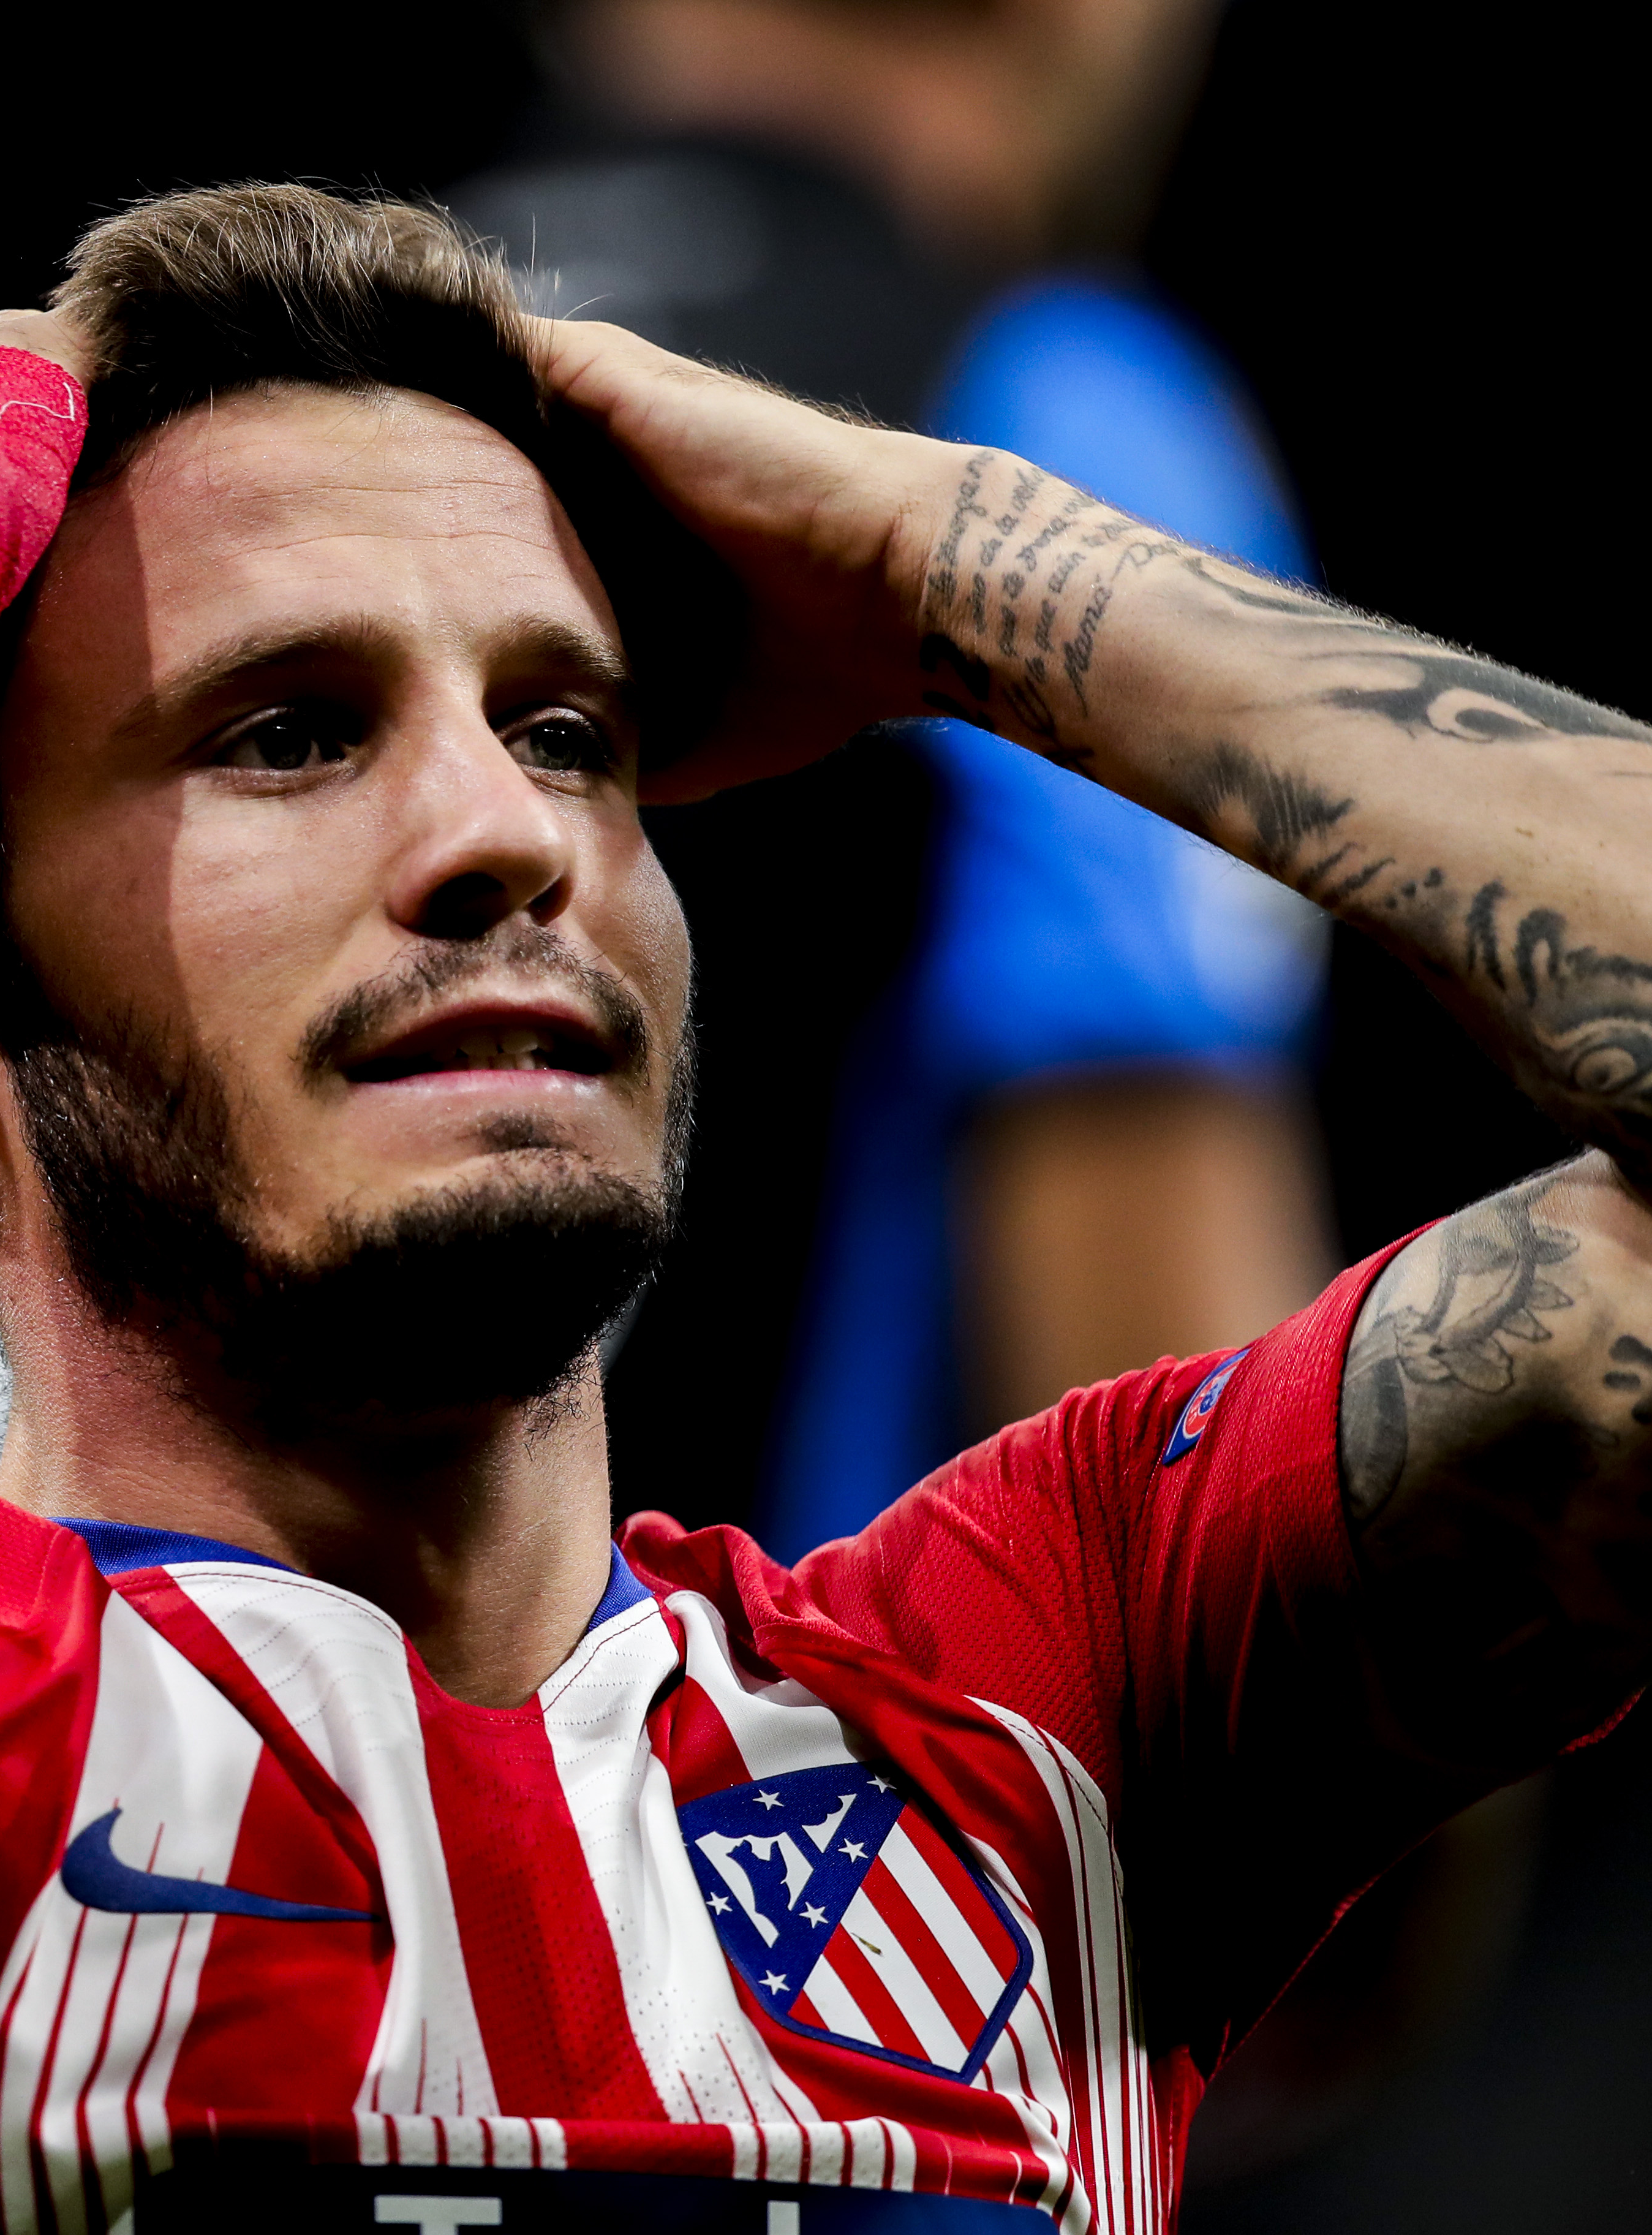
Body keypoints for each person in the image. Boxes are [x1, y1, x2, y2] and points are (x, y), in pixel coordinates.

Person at [0, 187, 1652, 2232]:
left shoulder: (1040, 1706)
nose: (507, 837)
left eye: (570, 730)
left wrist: (954, 558)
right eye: (291, 732)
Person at [456, 0, 1332, 1557]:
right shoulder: (1043, 433)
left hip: (22, 1735)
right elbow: (1223, 1559)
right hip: (651, 1776)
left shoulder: (259, 383)